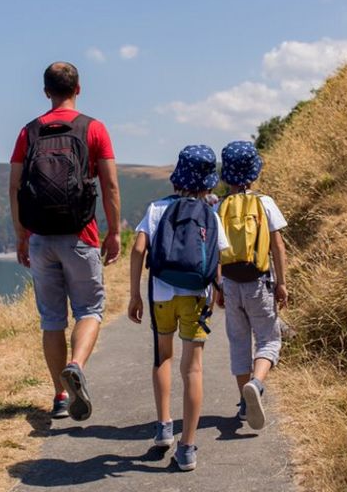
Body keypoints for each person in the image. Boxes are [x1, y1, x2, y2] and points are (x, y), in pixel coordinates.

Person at [9, 61, 121, 421]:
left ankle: (59, 394)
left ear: (45, 91)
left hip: (41, 238)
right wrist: (115, 232)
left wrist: (21, 235)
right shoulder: (94, 129)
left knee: (52, 319)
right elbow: (110, 186)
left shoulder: (28, 132)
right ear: (79, 88)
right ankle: (76, 364)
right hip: (81, 236)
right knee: (89, 310)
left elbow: (14, 187)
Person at [128, 145, 229, 471]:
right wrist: (219, 290)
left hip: (161, 294)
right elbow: (218, 258)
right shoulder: (211, 215)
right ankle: (187, 447)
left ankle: (163, 427)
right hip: (196, 297)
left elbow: (138, 249)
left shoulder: (156, 209)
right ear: (208, 184)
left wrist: (134, 295)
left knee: (163, 357)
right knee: (193, 369)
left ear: (177, 177)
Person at [216, 140, 288, 430]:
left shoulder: (220, 206)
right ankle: (256, 385)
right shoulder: (265, 202)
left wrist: (218, 287)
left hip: (231, 284)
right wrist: (282, 283)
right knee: (269, 339)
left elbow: (215, 251)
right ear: (254, 172)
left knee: (238, 342)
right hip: (259, 282)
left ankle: (244, 405)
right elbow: (277, 247)